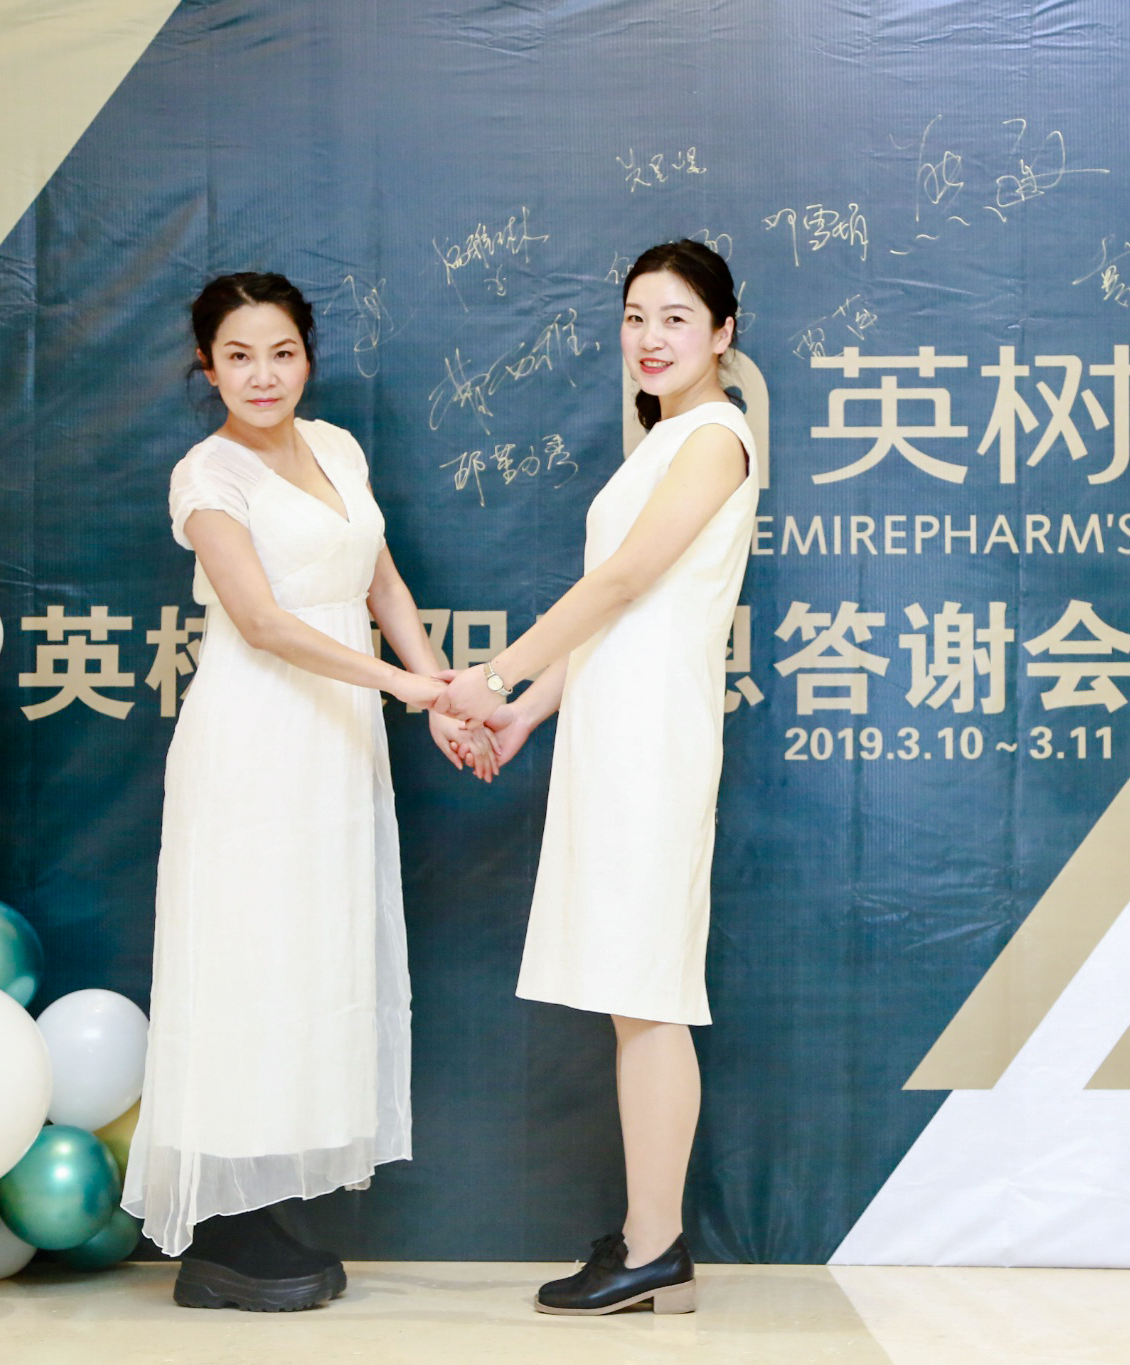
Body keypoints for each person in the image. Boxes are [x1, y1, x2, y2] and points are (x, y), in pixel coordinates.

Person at [126, 272, 470, 1312]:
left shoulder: (336, 447)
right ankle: (220, 1228)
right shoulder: (206, 475)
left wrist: (438, 691)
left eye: (280, 352)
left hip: (338, 742)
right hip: (255, 740)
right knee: (248, 963)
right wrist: (405, 686)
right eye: (238, 356)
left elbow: (381, 581)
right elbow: (265, 621)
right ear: (207, 366)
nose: (263, 375)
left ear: (307, 355)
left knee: (315, 960)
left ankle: (260, 1204)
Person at [436, 239, 758, 1316]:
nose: (649, 339)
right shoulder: (661, 443)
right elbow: (615, 614)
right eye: (634, 317)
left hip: (653, 738)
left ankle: (657, 1247)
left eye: (675, 318)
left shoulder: (714, 439)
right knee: (631, 994)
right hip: (611, 731)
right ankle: (648, 1240)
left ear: (722, 332)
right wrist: (524, 711)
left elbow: (622, 582)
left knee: (648, 993)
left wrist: (491, 676)